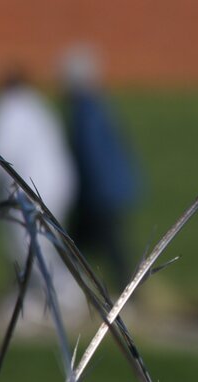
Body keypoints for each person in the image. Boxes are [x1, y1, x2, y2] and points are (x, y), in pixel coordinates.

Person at [0, 65, 85, 325]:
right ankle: (31, 299)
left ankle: (68, 294)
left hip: (34, 187)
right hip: (56, 183)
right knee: (34, 243)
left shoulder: (10, 109)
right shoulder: (36, 105)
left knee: (30, 244)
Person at [59, 46, 141, 291]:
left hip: (99, 192)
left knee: (98, 244)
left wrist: (84, 189)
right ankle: (70, 287)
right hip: (106, 189)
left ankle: (127, 291)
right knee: (95, 243)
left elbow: (89, 153)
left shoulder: (85, 110)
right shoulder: (97, 104)